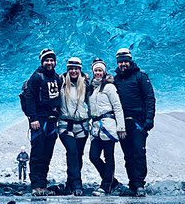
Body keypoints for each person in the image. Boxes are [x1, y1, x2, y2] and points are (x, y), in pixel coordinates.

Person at [114, 48, 155, 197]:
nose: (123, 64)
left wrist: (149, 119)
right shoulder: (116, 80)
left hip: (138, 122)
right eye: (120, 62)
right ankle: (132, 184)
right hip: (122, 124)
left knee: (139, 152)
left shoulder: (141, 77)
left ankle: (139, 185)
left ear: (130, 61)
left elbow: (149, 98)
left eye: (125, 61)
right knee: (128, 155)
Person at [21, 48, 62, 196]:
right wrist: (33, 118)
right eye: (47, 60)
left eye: (51, 60)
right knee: (37, 154)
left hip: (51, 122)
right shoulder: (36, 77)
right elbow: (29, 98)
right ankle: (36, 186)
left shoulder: (57, 78)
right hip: (39, 121)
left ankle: (43, 185)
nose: (49, 63)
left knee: (47, 154)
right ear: (42, 61)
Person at [88, 58, 126, 196]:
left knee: (109, 156)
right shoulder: (92, 89)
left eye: (100, 70)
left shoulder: (110, 87)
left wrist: (121, 127)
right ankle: (112, 182)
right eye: (96, 70)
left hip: (109, 126)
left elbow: (117, 107)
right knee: (93, 156)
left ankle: (106, 186)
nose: (98, 73)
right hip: (96, 127)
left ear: (104, 72)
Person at [56, 57, 90, 196]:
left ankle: (70, 184)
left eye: (76, 68)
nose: (74, 71)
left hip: (82, 125)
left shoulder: (86, 84)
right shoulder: (61, 83)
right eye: (71, 69)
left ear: (80, 69)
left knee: (78, 155)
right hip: (65, 125)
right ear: (67, 70)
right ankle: (77, 184)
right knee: (72, 152)